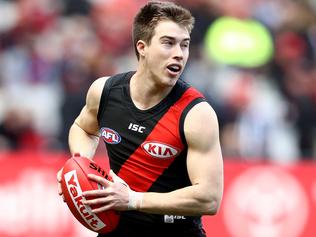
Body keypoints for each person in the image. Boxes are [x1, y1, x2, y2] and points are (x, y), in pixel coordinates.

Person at [57, 1, 223, 236]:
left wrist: (133, 199)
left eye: (184, 45)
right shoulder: (105, 91)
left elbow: (209, 199)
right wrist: (80, 167)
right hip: (118, 229)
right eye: (168, 43)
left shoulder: (196, 113)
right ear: (142, 47)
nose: (179, 54)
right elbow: (83, 128)